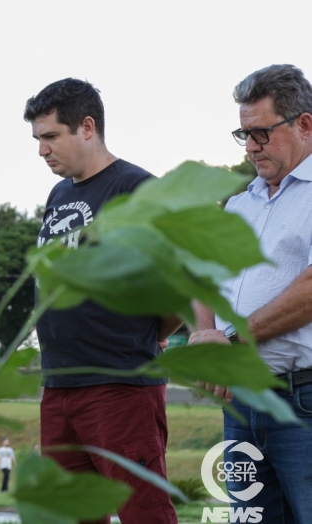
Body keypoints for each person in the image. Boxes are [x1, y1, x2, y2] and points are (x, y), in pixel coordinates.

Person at [24, 78, 179, 524]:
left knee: (144, 514)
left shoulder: (136, 190)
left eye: (51, 137)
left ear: (87, 127)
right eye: (38, 140)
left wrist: (152, 337)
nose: (42, 151)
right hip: (59, 387)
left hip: (119, 386)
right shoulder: (59, 194)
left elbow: (178, 285)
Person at [189, 64, 312, 523]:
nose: (252, 147)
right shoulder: (240, 203)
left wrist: (234, 341)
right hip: (241, 403)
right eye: (244, 135)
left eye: (261, 133)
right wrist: (206, 341)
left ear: (304, 124)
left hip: (301, 401)